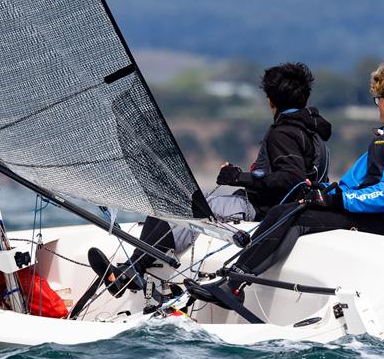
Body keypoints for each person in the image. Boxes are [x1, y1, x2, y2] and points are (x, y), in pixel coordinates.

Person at [188, 63, 384, 315]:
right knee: (285, 210)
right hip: (368, 213)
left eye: (378, 99)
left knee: (297, 218)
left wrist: (336, 200)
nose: (377, 105)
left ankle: (234, 285)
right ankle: (234, 280)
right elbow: (347, 185)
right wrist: (320, 191)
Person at [94, 62, 332, 297]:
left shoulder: (284, 132)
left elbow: (290, 179)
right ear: (305, 97)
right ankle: (134, 267)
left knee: (190, 208)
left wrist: (238, 177)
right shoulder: (312, 132)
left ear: (270, 100)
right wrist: (243, 178)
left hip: (262, 211)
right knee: (174, 204)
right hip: (272, 206)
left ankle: (131, 271)